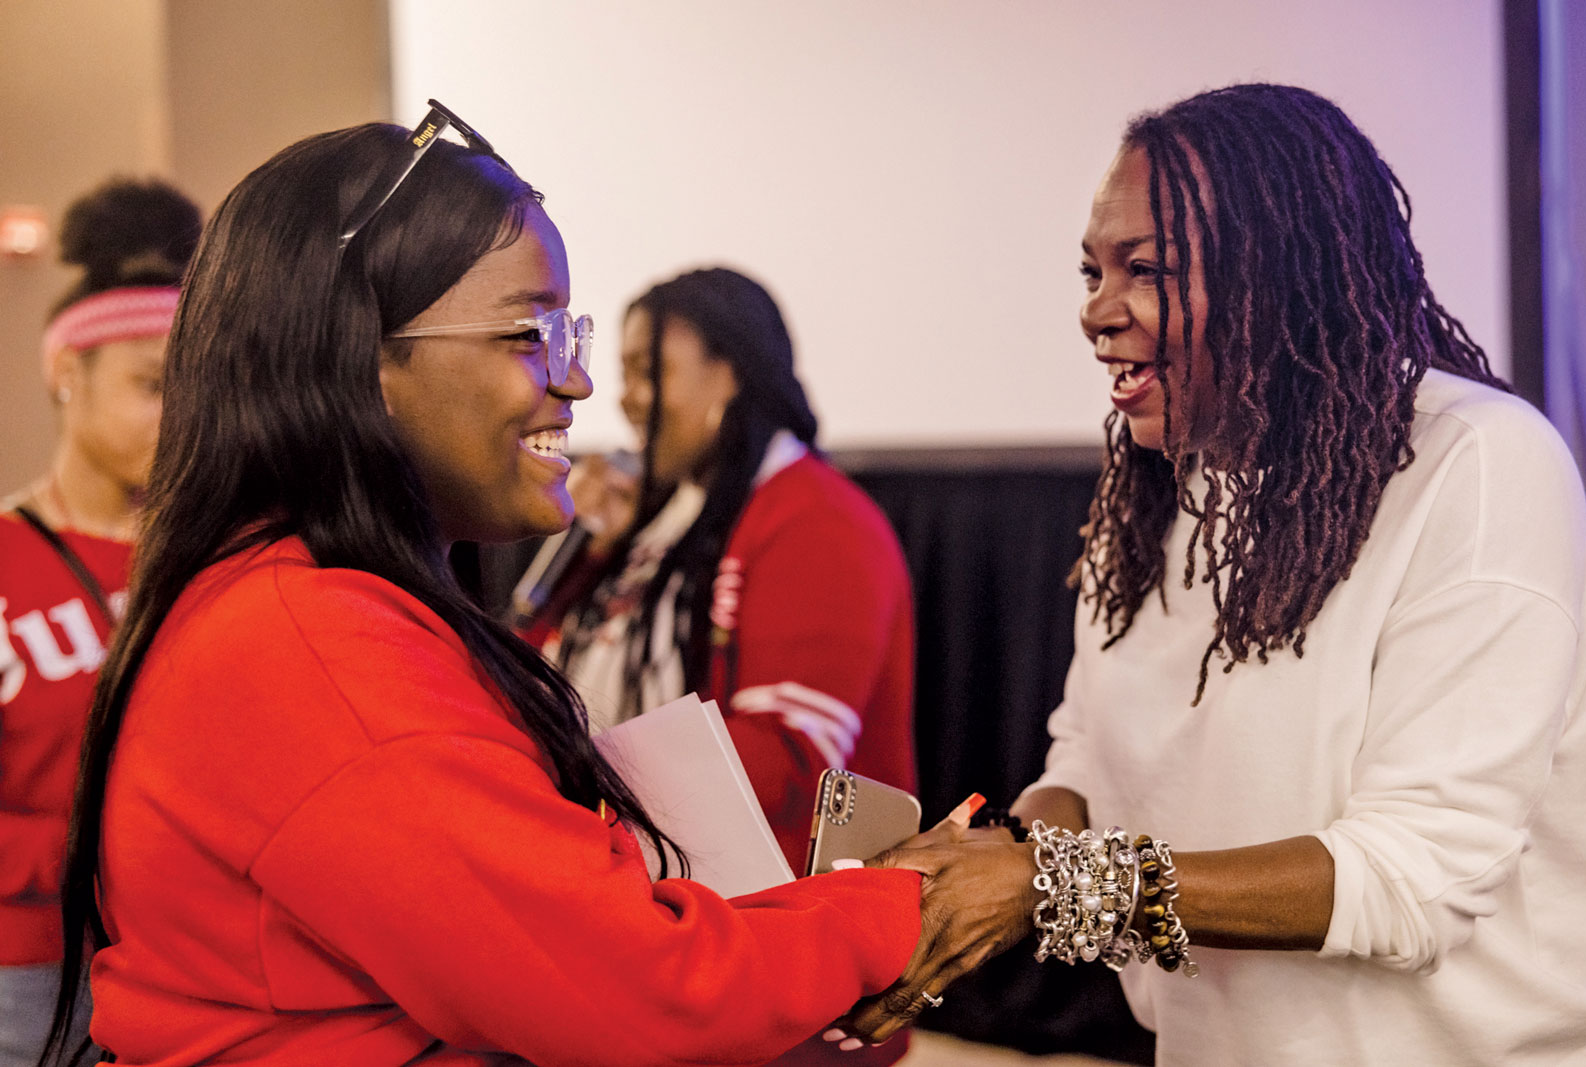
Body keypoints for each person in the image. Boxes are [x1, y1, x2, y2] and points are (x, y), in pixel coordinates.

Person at [37, 102, 992, 1067]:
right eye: (530, 333)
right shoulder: (310, 639)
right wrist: (919, 902)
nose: (576, 385)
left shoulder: (298, 595)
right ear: (361, 362)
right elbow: (643, 993)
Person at [836, 83, 1586, 1066]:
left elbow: (1419, 872)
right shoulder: (1158, 496)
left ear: (1284, 275)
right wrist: (986, 860)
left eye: (1144, 270)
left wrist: (1052, 882)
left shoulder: (1479, 462)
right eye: (1090, 270)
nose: (1094, 312)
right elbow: (1088, 765)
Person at [512, 266, 918, 1067]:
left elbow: (784, 758)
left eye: (646, 371)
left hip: (781, 965)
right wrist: (588, 552)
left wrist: (580, 808)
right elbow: (532, 678)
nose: (621, 397)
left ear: (725, 373)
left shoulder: (816, 519)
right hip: (660, 925)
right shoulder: (667, 520)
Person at [0, 178, 198, 1067]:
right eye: (152, 384)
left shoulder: (219, 557)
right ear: (65, 373)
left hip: (184, 968)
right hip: (27, 979)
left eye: (193, 387)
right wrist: (108, 845)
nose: (178, 417)